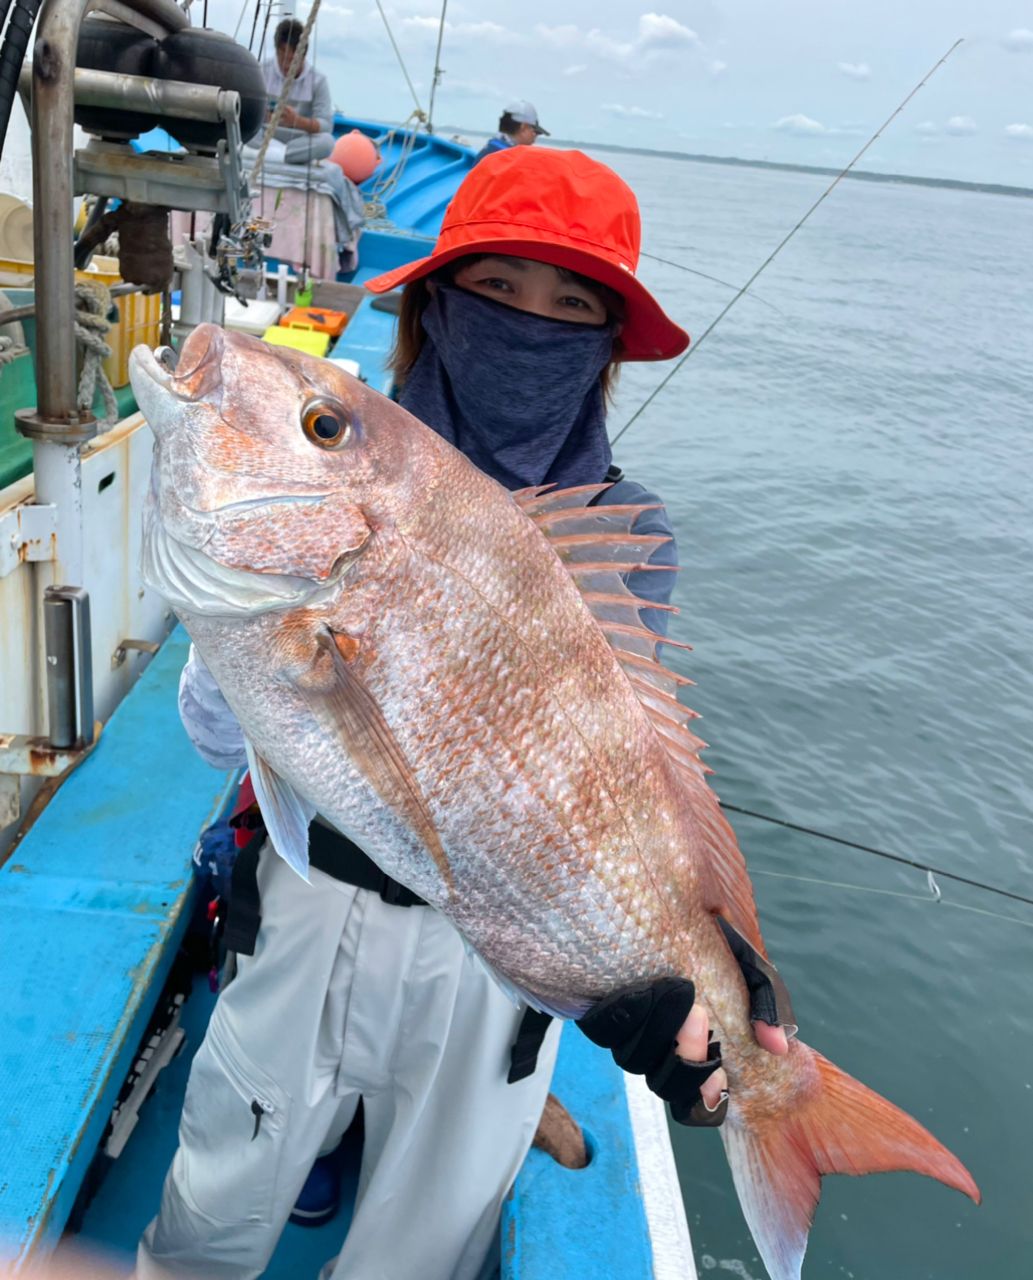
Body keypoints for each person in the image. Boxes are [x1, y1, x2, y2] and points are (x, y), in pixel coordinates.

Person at [135, 147, 789, 1280]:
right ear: (433, 305)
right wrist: (254, 635)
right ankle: (322, 1143)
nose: (530, 324)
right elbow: (213, 736)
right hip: (309, 901)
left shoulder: (625, 529)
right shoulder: (333, 454)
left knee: (420, 1239)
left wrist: (700, 955)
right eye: (499, 290)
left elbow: (626, 767)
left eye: (571, 305)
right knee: (219, 1188)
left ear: (603, 350)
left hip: (493, 967)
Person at [261, 18, 335, 164]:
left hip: (299, 138)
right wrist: (264, 116)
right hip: (266, 133)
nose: (286, 65)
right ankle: (285, 157)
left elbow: (326, 125)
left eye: (292, 60)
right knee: (241, 131)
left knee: (326, 142)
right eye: (282, 58)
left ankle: (273, 156)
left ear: (303, 55)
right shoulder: (262, 70)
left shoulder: (318, 81)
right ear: (276, 51)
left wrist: (297, 121)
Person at [473, 100, 549, 164]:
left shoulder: (490, 149)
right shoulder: (511, 159)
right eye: (535, 131)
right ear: (523, 127)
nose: (535, 137)